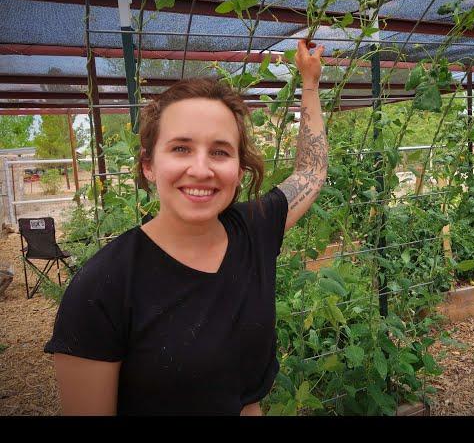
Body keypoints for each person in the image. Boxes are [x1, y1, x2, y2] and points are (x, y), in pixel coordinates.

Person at [44, 39, 327, 416]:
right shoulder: (103, 287)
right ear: (148, 165)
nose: (201, 169)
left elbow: (311, 171)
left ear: (239, 169)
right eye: (180, 148)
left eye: (220, 151)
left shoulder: (254, 230)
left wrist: (309, 83)